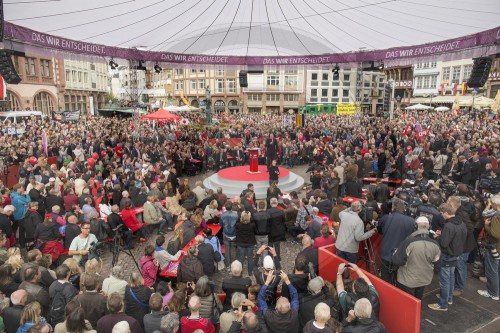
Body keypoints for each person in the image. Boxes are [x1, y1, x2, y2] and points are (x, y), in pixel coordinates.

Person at [428, 202, 468, 311]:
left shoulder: (449, 226)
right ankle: (448, 298)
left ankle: (443, 304)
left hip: (447, 255)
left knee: (444, 280)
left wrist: (437, 237)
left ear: (446, 212)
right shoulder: (461, 223)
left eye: (442, 213)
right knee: (451, 277)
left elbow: (444, 243)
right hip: (456, 254)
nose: (441, 215)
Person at [391, 216, 441, 300]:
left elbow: (398, 261)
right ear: (429, 227)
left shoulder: (408, 241)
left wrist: (394, 254)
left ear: (415, 226)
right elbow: (437, 265)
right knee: (418, 300)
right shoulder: (435, 244)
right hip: (424, 279)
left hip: (407, 280)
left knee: (407, 302)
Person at [376, 198, 415, 284]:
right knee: (399, 281)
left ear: (393, 208)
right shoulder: (411, 221)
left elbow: (379, 230)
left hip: (386, 255)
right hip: (401, 257)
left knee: (385, 281)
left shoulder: (385, 218)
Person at [477, 194, 500, 301]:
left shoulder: (496, 217)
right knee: (497, 270)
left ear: (495, 204)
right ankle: (496, 291)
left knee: (492, 271)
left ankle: (493, 292)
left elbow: (495, 234)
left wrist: (486, 225)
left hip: (495, 247)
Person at [220, 202, 239, 267]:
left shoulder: (222, 215)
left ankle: (228, 264)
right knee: (233, 249)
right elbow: (237, 225)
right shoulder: (236, 215)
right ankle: (233, 263)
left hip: (226, 233)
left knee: (227, 249)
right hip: (234, 234)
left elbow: (221, 225)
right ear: (231, 207)